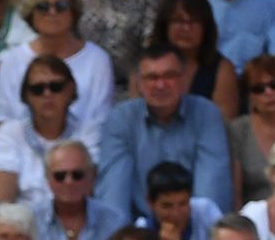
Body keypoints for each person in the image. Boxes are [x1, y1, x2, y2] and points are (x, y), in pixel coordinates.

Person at [98, 43, 235, 220]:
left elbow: (211, 193)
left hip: (194, 228)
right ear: (139, 84)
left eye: (169, 76)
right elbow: (114, 197)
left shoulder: (206, 114)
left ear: (185, 79)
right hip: (138, 230)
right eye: (152, 77)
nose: (161, 85)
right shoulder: (121, 119)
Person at [0, 0, 118, 143]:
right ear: (31, 13)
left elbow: (100, 125)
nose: (52, 12)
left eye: (61, 6)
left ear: (73, 11)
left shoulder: (98, 60)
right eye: (43, 7)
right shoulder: (11, 61)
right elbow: (6, 125)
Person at [0, 54, 95, 219]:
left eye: (56, 87)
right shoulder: (9, 132)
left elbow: (86, 194)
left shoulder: (88, 132)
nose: (47, 94)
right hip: (22, 231)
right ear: (26, 96)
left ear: (71, 90)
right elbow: (2, 206)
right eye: (38, 89)